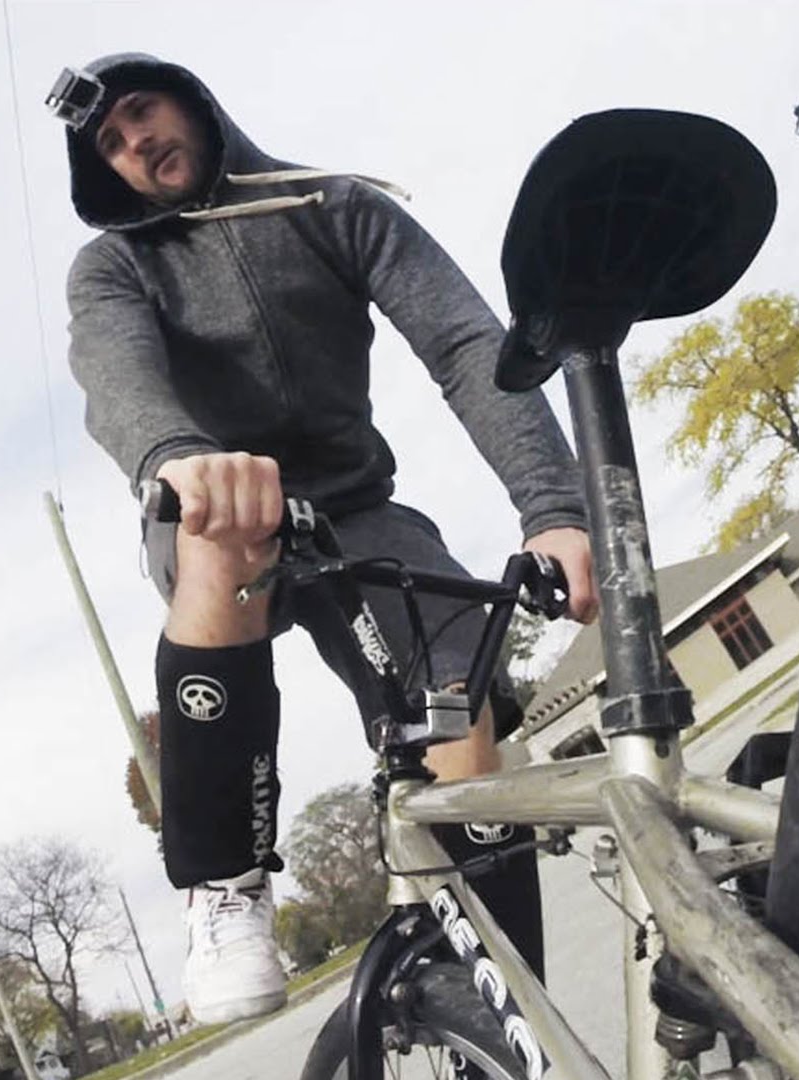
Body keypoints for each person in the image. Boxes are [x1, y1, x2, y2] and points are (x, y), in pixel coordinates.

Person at [49, 53, 598, 1023]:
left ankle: (501, 988)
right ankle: (224, 887)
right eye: (111, 141)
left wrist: (553, 509)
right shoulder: (116, 266)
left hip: (359, 507)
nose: (134, 141)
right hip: (219, 501)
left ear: (195, 104)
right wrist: (177, 455)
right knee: (228, 531)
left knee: (458, 704)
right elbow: (114, 369)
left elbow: (467, 345)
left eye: (143, 111)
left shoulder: (332, 205)